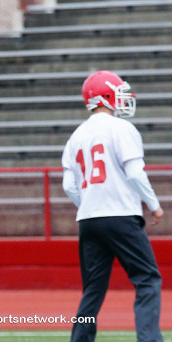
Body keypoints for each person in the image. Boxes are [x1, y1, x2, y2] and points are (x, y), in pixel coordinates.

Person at [61, 70, 164, 342]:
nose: (122, 98)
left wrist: (90, 205)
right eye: (118, 93)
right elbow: (134, 173)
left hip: (89, 219)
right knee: (148, 279)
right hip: (121, 215)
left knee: (93, 289)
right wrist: (154, 205)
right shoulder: (122, 129)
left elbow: (69, 186)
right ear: (106, 96)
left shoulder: (77, 135)